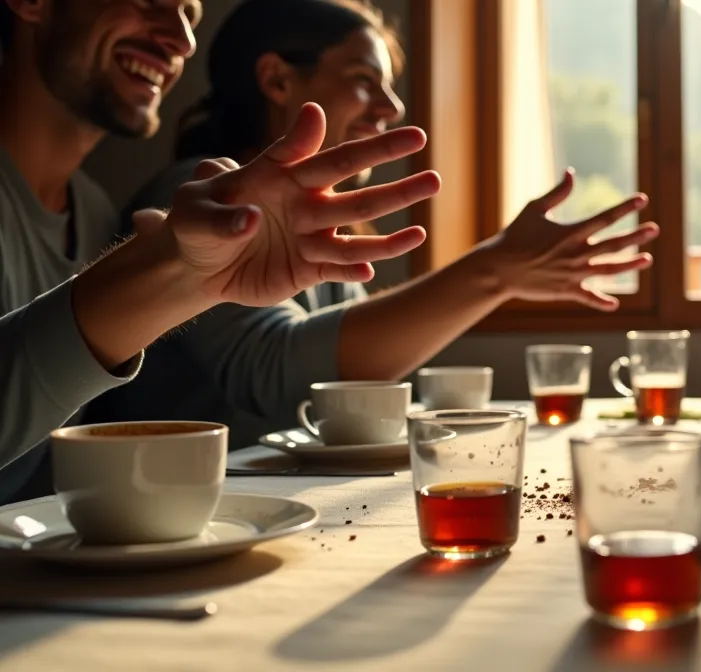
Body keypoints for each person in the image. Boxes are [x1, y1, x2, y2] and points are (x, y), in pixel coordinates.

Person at [84, 0, 658, 447]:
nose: (391, 107)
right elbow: (281, 375)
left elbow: (351, 389)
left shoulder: (321, 234)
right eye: (364, 79)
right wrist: (494, 270)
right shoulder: (193, 202)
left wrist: (498, 273)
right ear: (277, 80)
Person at [0, 0, 439, 503]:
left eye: (189, 13)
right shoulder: (164, 208)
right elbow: (280, 370)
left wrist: (184, 276)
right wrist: (176, 279)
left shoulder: (94, 212)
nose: (183, 38)